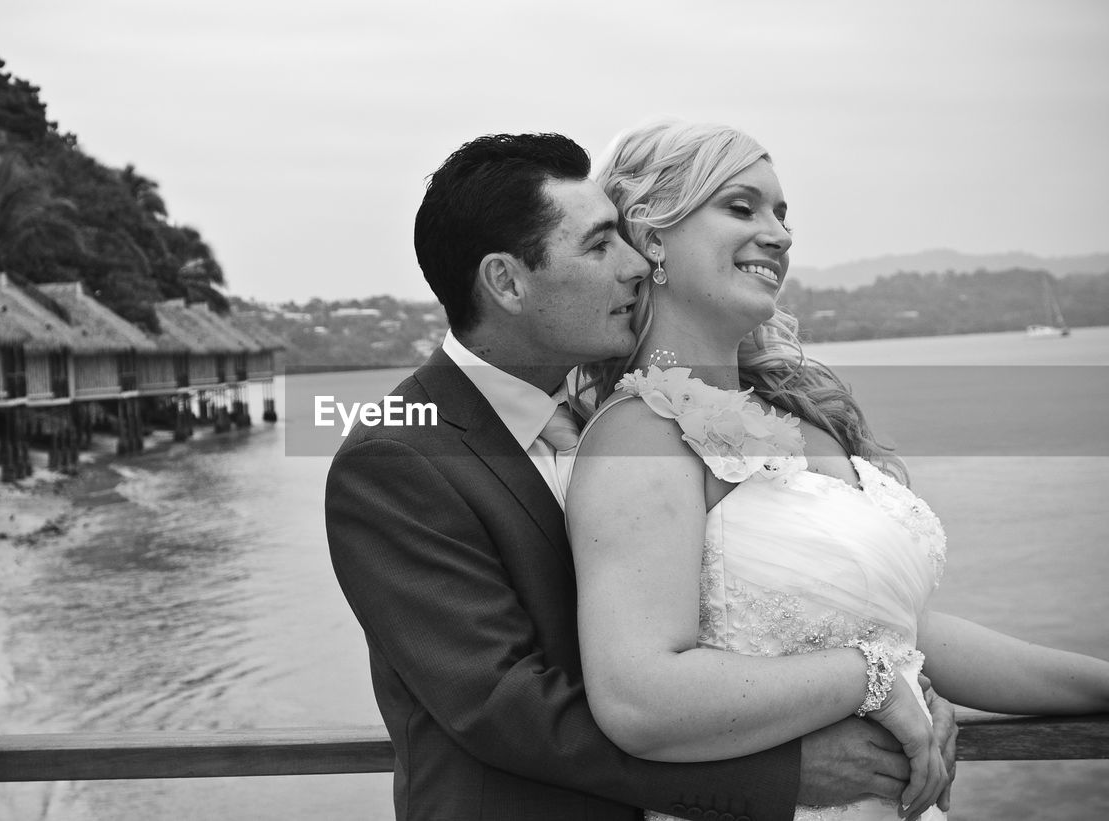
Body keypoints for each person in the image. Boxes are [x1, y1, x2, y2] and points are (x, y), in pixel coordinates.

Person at [326, 132, 958, 821]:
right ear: (506, 281)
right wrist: (784, 765)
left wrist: (908, 688)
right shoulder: (395, 456)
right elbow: (507, 708)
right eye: (599, 246)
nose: (633, 263)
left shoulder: (615, 413)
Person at [564, 118, 1109, 821]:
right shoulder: (640, 435)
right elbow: (639, 699)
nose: (779, 233)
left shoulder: (804, 418)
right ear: (652, 235)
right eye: (742, 206)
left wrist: (1106, 684)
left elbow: (909, 633)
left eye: (781, 213)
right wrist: (871, 678)